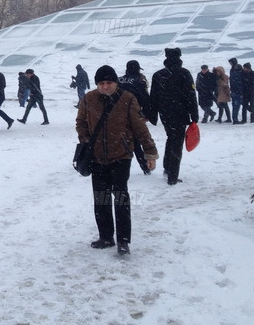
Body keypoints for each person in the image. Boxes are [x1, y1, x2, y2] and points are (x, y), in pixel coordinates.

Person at [76, 65, 158, 255]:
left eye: (109, 82)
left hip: (121, 155)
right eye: (101, 83)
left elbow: (140, 128)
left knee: (121, 197)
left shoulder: (127, 99)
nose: (105, 86)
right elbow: (80, 122)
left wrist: (150, 152)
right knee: (101, 199)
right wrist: (86, 139)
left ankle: (123, 240)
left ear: (115, 82)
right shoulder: (89, 99)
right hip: (97, 158)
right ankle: (105, 237)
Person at [148, 48, 199, 186]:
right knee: (176, 143)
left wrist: (153, 115)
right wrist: (194, 115)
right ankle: (172, 176)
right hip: (180, 113)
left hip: (165, 114)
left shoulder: (158, 75)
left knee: (171, 138)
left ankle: (167, 168)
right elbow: (191, 95)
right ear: (179, 57)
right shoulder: (184, 73)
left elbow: (153, 97)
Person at [118, 60, 152, 174]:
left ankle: (118, 167)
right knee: (136, 142)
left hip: (118, 115)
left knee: (119, 141)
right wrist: (147, 114)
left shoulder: (119, 80)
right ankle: (145, 167)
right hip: (134, 114)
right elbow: (145, 99)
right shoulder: (140, 81)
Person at [228, 58, 244, 124]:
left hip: (234, 90)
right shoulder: (236, 70)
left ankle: (235, 119)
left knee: (235, 105)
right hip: (236, 90)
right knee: (236, 105)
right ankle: (235, 119)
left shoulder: (233, 70)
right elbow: (238, 82)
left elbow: (234, 81)